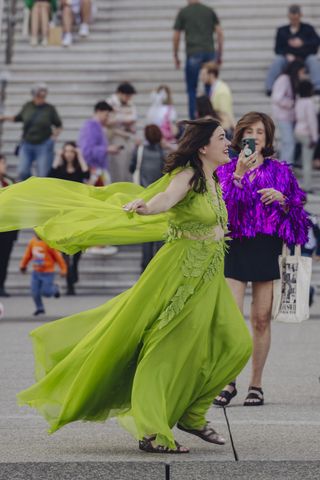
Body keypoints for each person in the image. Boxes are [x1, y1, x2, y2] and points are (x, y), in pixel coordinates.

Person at [0, 118, 252, 453]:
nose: (229, 143)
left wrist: (238, 176)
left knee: (236, 344)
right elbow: (166, 198)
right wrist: (147, 207)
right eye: (223, 137)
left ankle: (192, 415)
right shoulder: (188, 176)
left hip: (209, 275)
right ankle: (152, 430)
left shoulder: (215, 178)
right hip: (181, 273)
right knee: (165, 348)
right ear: (203, 146)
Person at [214, 111, 309, 408]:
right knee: (232, 318)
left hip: (266, 245)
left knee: (260, 319)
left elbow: (299, 210)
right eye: (249, 131)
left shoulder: (280, 171)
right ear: (240, 136)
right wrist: (240, 174)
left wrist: (282, 200)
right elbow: (222, 206)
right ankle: (228, 381)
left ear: (267, 139)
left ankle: (256, 383)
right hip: (237, 244)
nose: (254, 136)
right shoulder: (227, 168)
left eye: (260, 132)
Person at [49, 142, 89, 294]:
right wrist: (57, 156)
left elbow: (87, 175)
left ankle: (74, 267)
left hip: (78, 212)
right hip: (64, 212)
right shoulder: (59, 169)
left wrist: (80, 155)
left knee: (78, 245)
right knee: (65, 248)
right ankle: (69, 281)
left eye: (72, 151)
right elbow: (50, 175)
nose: (69, 154)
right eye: (67, 151)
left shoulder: (79, 169)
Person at [0, 83, 62, 180]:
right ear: (34, 95)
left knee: (43, 173)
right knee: (22, 171)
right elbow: (18, 118)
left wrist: (53, 138)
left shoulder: (50, 109)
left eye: (43, 96)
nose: (41, 98)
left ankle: (40, 193)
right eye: (39, 95)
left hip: (44, 144)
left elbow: (59, 125)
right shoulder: (28, 106)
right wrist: (4, 117)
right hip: (27, 143)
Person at [173, 0, 224, 119]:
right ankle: (211, 117)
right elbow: (220, 33)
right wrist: (219, 55)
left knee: (192, 89)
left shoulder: (184, 12)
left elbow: (176, 36)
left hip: (193, 53)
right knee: (210, 86)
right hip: (209, 53)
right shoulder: (209, 11)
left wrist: (175, 55)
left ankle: (194, 120)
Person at [130, 124, 165, 271]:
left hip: (142, 196)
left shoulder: (139, 151)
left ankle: (145, 267)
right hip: (158, 198)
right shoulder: (163, 154)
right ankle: (158, 268)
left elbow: (131, 168)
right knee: (159, 235)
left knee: (146, 236)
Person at [265, 4, 320, 95]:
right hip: (288, 58)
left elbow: (316, 41)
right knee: (278, 60)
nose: (294, 20)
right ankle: (270, 87)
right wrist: (287, 55)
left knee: (313, 60)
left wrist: (303, 42)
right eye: (292, 17)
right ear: (288, 16)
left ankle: (318, 86)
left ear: (300, 16)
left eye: (296, 17)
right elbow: (277, 49)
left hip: (304, 58)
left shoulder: (308, 28)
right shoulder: (282, 30)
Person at [20, 233, 67, 315]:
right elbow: (28, 255)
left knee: (46, 292)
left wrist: (63, 269)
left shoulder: (49, 243)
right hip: (36, 272)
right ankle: (40, 308)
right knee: (35, 292)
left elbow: (58, 257)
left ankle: (55, 288)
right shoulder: (32, 242)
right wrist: (23, 266)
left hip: (48, 273)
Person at [271, 60, 306, 164]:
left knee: (289, 143)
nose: (302, 74)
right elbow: (277, 98)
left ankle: (285, 167)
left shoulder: (291, 80)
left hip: (289, 117)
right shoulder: (284, 79)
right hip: (283, 116)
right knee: (288, 143)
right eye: (302, 72)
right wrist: (291, 103)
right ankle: (285, 169)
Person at [78, 100, 119, 186]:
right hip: (94, 169)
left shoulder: (97, 127)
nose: (107, 118)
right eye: (106, 115)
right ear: (98, 112)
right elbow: (87, 150)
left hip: (98, 168)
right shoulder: (92, 126)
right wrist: (106, 149)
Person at [106, 82, 138, 182]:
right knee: (118, 166)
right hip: (115, 136)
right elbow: (106, 121)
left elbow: (134, 118)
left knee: (128, 166)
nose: (129, 98)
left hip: (128, 136)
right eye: (127, 95)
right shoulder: (109, 103)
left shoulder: (130, 104)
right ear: (120, 93)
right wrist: (123, 120)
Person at [294, 80, 319, 192]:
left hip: (298, 131)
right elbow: (312, 121)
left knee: (305, 160)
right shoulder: (309, 102)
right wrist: (314, 138)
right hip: (306, 134)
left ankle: (304, 184)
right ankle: (307, 186)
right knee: (307, 162)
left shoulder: (299, 101)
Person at [200, 62, 235, 139]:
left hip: (223, 130)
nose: (201, 77)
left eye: (203, 74)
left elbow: (225, 113)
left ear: (211, 74)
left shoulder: (221, 90)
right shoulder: (213, 88)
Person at [0, 155, 18, 297]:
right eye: (2, 163)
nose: (3, 166)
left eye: (4, 163)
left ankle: (1, 286)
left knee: (4, 259)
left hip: (8, 230)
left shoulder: (10, 181)